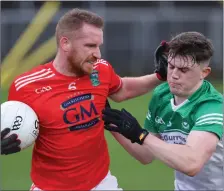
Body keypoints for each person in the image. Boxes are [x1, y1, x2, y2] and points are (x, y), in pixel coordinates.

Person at [1, 8, 168, 190]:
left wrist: (159, 76)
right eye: (90, 46)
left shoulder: (100, 69)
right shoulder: (25, 86)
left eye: (99, 46)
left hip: (101, 183)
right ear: (65, 44)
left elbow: (122, 89)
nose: (98, 54)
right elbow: (7, 121)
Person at [102, 31, 223, 190]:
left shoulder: (213, 106)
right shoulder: (162, 95)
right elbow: (146, 155)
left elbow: (191, 164)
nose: (174, 75)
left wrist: (141, 135)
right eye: (171, 66)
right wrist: (112, 123)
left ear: (204, 73)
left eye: (183, 70)